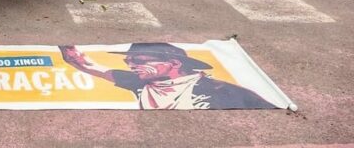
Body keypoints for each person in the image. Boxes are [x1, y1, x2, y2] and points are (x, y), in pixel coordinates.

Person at [60, 43, 276, 110]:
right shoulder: (138, 81)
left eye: (141, 61)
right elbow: (86, 64)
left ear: (174, 63)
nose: (133, 66)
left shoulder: (222, 91)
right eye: (129, 61)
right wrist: (67, 49)